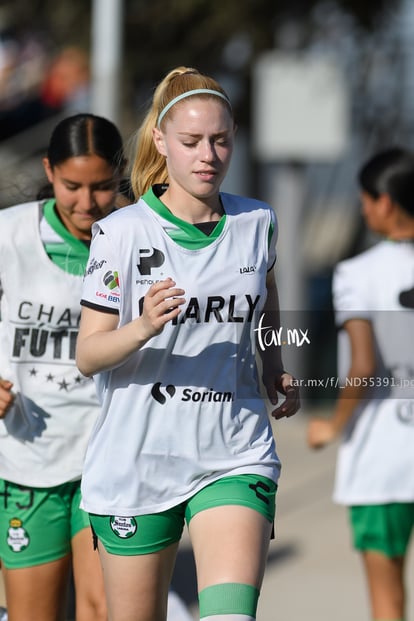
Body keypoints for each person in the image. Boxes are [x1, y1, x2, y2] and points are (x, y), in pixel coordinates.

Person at [75, 66, 300, 621]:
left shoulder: (258, 222)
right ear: (160, 141)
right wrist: (143, 326)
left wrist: (273, 364)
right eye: (192, 141)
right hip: (138, 461)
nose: (208, 155)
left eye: (220, 141)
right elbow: (88, 356)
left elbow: (264, 296)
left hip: (235, 453)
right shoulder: (122, 232)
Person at [0, 112, 127, 621]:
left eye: (102, 187)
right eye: (72, 185)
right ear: (49, 171)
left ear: (120, 176)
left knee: (102, 608)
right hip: (28, 455)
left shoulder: (137, 237)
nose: (87, 202)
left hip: (111, 454)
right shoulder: (9, 235)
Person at [307, 147, 414, 621]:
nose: (364, 209)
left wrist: (333, 425)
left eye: (366, 201)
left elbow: (364, 365)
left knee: (387, 600)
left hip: (383, 455)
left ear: (385, 203)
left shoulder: (356, 274)